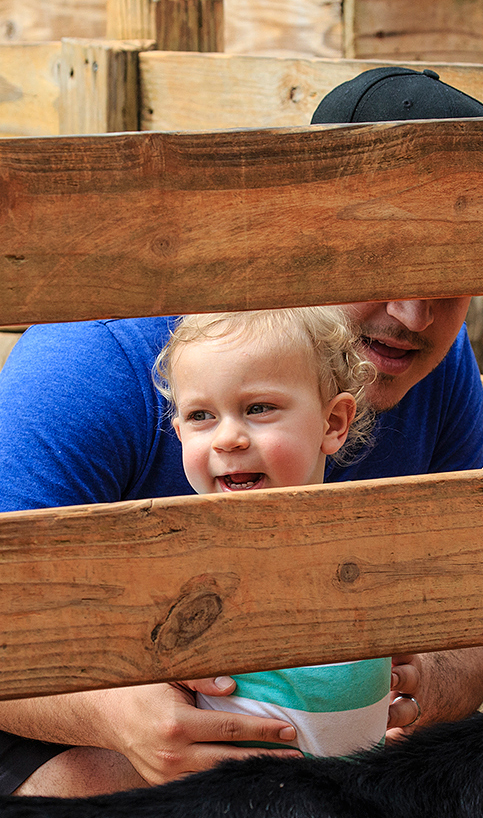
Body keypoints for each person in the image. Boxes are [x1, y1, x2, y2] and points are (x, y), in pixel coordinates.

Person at [0, 66, 483, 805]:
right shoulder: (107, 352)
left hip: (267, 754)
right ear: (305, 229)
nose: (413, 312)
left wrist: (423, 680)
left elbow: (473, 627)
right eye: (383, 260)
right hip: (3, 730)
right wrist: (120, 715)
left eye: (450, 275)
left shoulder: (433, 363)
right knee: (176, 807)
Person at [155, 306, 387, 757]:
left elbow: (446, 557)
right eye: (202, 416)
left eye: (258, 409)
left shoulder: (366, 530)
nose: (228, 439)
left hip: (367, 787)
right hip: (245, 797)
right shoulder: (184, 551)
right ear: (180, 432)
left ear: (333, 423)